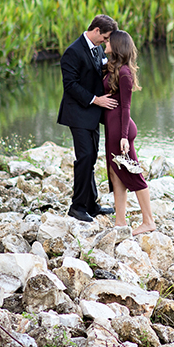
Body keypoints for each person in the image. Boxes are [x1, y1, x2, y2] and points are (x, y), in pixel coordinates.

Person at [57, 14, 119, 222]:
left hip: (92, 115)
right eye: (105, 37)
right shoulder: (72, 52)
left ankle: (91, 204)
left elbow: (99, 71)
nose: (106, 41)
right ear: (96, 31)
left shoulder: (98, 48)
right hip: (78, 112)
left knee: (91, 158)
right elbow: (71, 85)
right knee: (84, 158)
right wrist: (96, 100)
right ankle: (77, 207)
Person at [102, 30, 155, 235]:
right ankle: (120, 222)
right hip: (112, 129)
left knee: (134, 175)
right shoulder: (113, 69)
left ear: (117, 45)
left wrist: (124, 136)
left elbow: (126, 107)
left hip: (121, 131)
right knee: (116, 174)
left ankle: (148, 221)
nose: (106, 43)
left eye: (109, 41)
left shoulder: (124, 73)